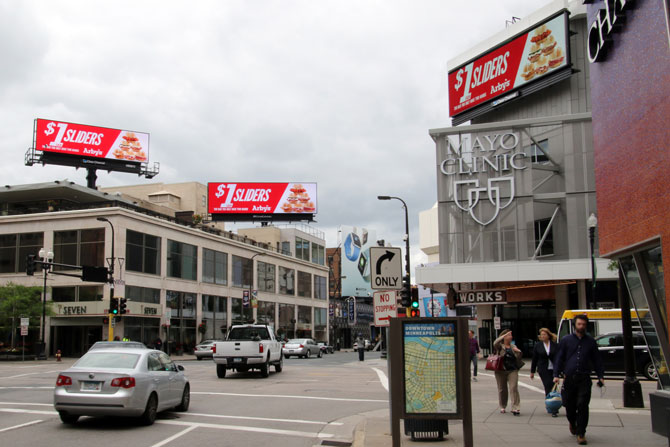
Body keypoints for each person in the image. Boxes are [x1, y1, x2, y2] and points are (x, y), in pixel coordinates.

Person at [553, 315, 605, 445]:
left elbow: (597, 359)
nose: (581, 326)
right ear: (575, 325)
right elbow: (559, 357)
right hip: (569, 378)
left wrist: (601, 376)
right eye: (579, 324)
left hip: (584, 378)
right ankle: (572, 421)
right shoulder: (566, 340)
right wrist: (556, 375)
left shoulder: (591, 341)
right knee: (569, 406)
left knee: (583, 405)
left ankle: (581, 433)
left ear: (586, 325)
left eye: (583, 324)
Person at [493, 329, 523, 415]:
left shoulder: (513, 346)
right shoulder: (499, 346)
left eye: (511, 335)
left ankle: (515, 407)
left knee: (513, 387)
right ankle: (502, 405)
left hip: (512, 369)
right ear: (504, 337)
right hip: (500, 370)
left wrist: (519, 352)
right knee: (502, 389)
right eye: (509, 335)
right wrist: (504, 335)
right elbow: (495, 342)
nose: (511, 337)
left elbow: (518, 357)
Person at [530, 328, 559, 416]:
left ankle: (554, 404)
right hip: (543, 369)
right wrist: (532, 371)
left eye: (544, 334)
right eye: (541, 335)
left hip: (553, 369)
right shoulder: (538, 345)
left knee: (553, 387)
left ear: (548, 335)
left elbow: (558, 358)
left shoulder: (554, 345)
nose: (543, 336)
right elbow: (534, 359)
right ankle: (551, 407)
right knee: (548, 385)